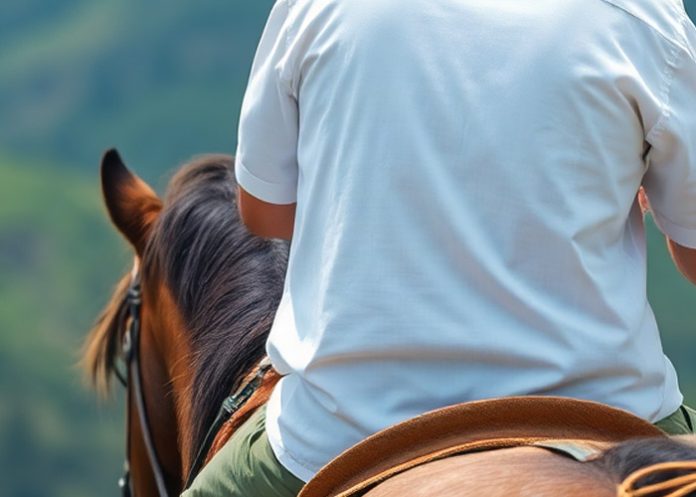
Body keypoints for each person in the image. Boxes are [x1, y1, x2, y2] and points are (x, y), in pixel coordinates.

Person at [183, 0, 696, 495]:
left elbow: (265, 211)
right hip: (611, 411)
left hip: (343, 431)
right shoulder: (640, 15)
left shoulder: (317, 7)